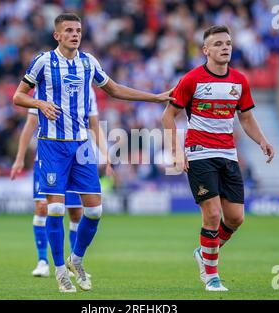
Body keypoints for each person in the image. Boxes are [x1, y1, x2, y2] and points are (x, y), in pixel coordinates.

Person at [13, 13, 173, 293]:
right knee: (56, 208)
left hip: (82, 146)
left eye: (78, 30)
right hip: (52, 144)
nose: (75, 34)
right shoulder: (43, 62)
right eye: (68, 30)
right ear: (57, 35)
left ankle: (77, 258)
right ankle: (60, 270)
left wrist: (156, 97)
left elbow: (114, 90)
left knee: (95, 210)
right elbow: (18, 96)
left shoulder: (89, 62)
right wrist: (39, 103)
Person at [162, 25, 274, 292]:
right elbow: (168, 116)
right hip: (200, 153)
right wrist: (177, 152)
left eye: (228, 43)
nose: (225, 48)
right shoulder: (191, 79)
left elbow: (245, 118)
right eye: (218, 44)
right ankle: (211, 277)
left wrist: (262, 141)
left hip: (228, 155)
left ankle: (204, 252)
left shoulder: (239, 81)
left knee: (235, 218)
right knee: (212, 215)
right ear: (205, 51)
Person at [10, 90, 110, 279]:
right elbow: (30, 124)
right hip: (48, 158)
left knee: (76, 212)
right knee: (43, 207)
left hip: (76, 158)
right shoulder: (44, 86)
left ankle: (74, 261)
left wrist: (105, 154)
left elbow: (94, 125)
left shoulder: (87, 89)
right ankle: (42, 261)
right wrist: (20, 158)